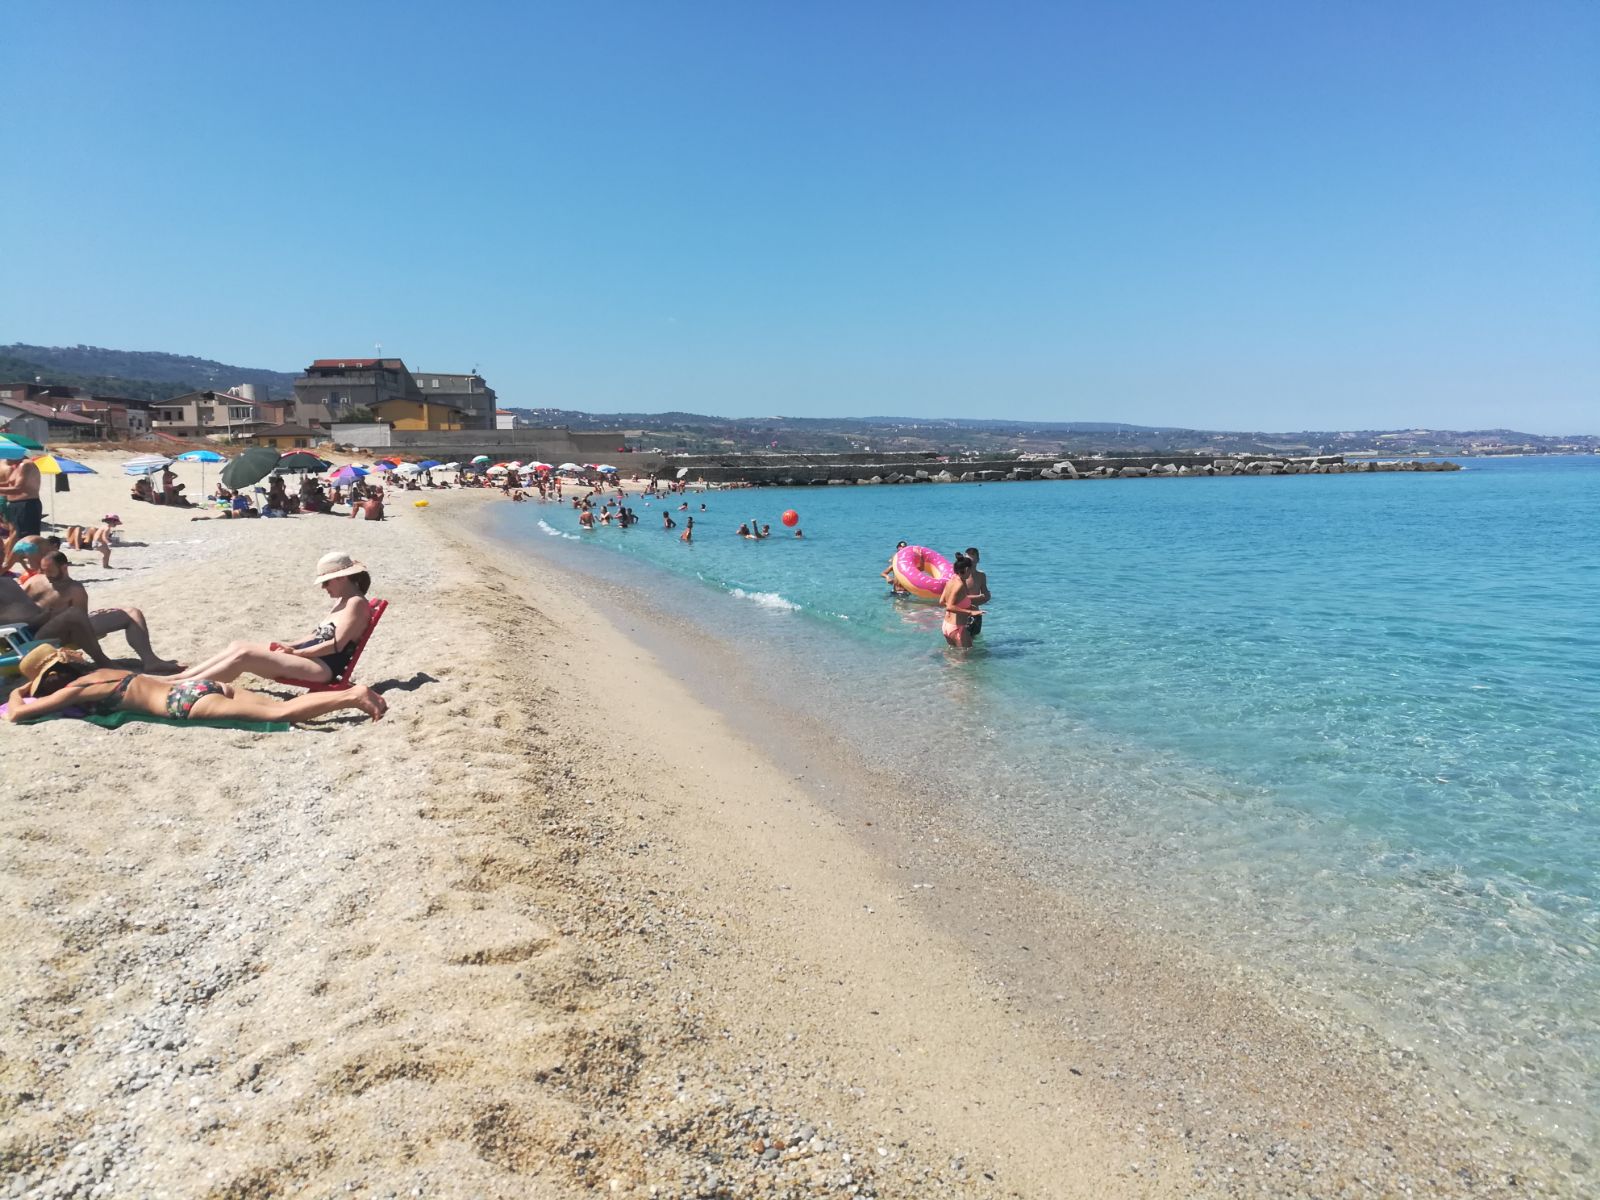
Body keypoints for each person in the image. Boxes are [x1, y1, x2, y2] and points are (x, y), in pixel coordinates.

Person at [6, 645, 385, 725]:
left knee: (283, 712)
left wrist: (18, 692)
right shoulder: (105, 671)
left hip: (185, 704)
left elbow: (20, 716)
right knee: (281, 713)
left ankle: (351, 696)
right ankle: (338, 701)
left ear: (53, 678)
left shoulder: (75, 690)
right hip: (207, 688)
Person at [172, 552, 375, 686]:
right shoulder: (344, 600)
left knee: (245, 656)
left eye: (326, 582)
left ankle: (181, 685)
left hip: (322, 667)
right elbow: (316, 635)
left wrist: (298, 652)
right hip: (314, 659)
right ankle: (182, 677)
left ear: (341, 578)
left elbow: (335, 645)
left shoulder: (355, 603)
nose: (324, 588)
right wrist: (289, 644)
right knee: (238, 645)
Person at [23, 551, 181, 672]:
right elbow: (80, 623)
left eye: (50, 571)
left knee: (132, 613)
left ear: (64, 568)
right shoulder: (43, 583)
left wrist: (95, 615)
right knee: (76, 616)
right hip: (43, 634)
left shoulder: (73, 588)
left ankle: (151, 661)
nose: (46, 575)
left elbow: (81, 618)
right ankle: (103, 662)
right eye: (43, 570)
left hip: (70, 625)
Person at [0, 571, 117, 667]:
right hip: (25, 639)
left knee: (124, 614)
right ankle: (104, 662)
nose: (2, 556)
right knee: (74, 614)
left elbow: (29, 609)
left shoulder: (9, 582)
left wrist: (50, 613)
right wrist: (35, 619)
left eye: (2, 552)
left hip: (41, 626)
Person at [0, 454, 43, 571]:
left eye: (8, 455)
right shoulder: (17, 466)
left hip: (27, 504)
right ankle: (7, 566)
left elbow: (18, 488)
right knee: (15, 536)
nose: (6, 459)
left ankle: (37, 569)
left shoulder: (26, 465)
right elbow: (10, 484)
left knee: (27, 540)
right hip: (16, 505)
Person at [938, 554, 983, 650]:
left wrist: (968, 606)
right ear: (967, 570)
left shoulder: (950, 581)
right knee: (964, 661)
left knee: (952, 658)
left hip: (946, 626)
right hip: (957, 628)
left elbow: (942, 601)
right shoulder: (960, 585)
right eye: (970, 570)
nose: (971, 573)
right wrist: (970, 612)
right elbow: (950, 606)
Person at [963, 546, 990, 639]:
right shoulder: (959, 577)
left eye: (973, 561)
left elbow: (986, 595)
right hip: (962, 614)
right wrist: (979, 597)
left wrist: (985, 596)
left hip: (976, 614)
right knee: (963, 643)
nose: (970, 564)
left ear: (978, 560)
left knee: (975, 642)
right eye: (968, 561)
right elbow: (958, 598)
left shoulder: (981, 575)